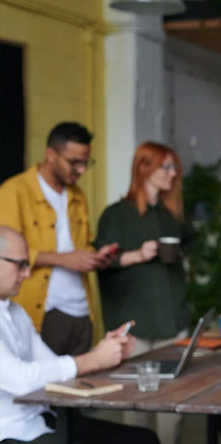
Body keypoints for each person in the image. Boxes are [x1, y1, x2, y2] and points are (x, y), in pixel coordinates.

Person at [0, 226, 159, 444]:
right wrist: (94, 359)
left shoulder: (16, 312)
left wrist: (105, 352)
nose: (27, 273)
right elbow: (21, 380)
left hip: (47, 422)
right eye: (21, 265)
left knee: (144, 439)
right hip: (14, 434)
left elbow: (55, 366)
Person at [93, 142, 189, 444]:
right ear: (144, 167)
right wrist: (138, 254)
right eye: (166, 166)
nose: (173, 174)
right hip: (135, 322)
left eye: (175, 167)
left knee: (173, 402)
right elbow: (100, 261)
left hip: (173, 320)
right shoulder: (116, 214)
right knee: (136, 402)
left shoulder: (171, 214)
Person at [0, 122, 115, 356]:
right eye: (74, 162)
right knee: (45, 387)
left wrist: (95, 257)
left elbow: (80, 245)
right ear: (50, 154)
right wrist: (65, 260)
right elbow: (6, 254)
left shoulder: (78, 196)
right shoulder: (14, 191)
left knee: (82, 385)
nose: (81, 170)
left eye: (86, 162)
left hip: (82, 311)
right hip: (43, 311)